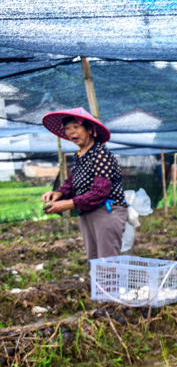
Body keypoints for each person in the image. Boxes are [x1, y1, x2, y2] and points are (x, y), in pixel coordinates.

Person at [40, 108, 128, 259]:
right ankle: (96, 284)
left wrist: (67, 204)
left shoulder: (100, 154)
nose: (71, 132)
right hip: (87, 212)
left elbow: (100, 191)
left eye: (76, 127)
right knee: (93, 259)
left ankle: (111, 284)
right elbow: (72, 181)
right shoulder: (81, 156)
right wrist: (58, 193)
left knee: (107, 261)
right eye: (67, 128)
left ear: (89, 129)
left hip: (106, 211)